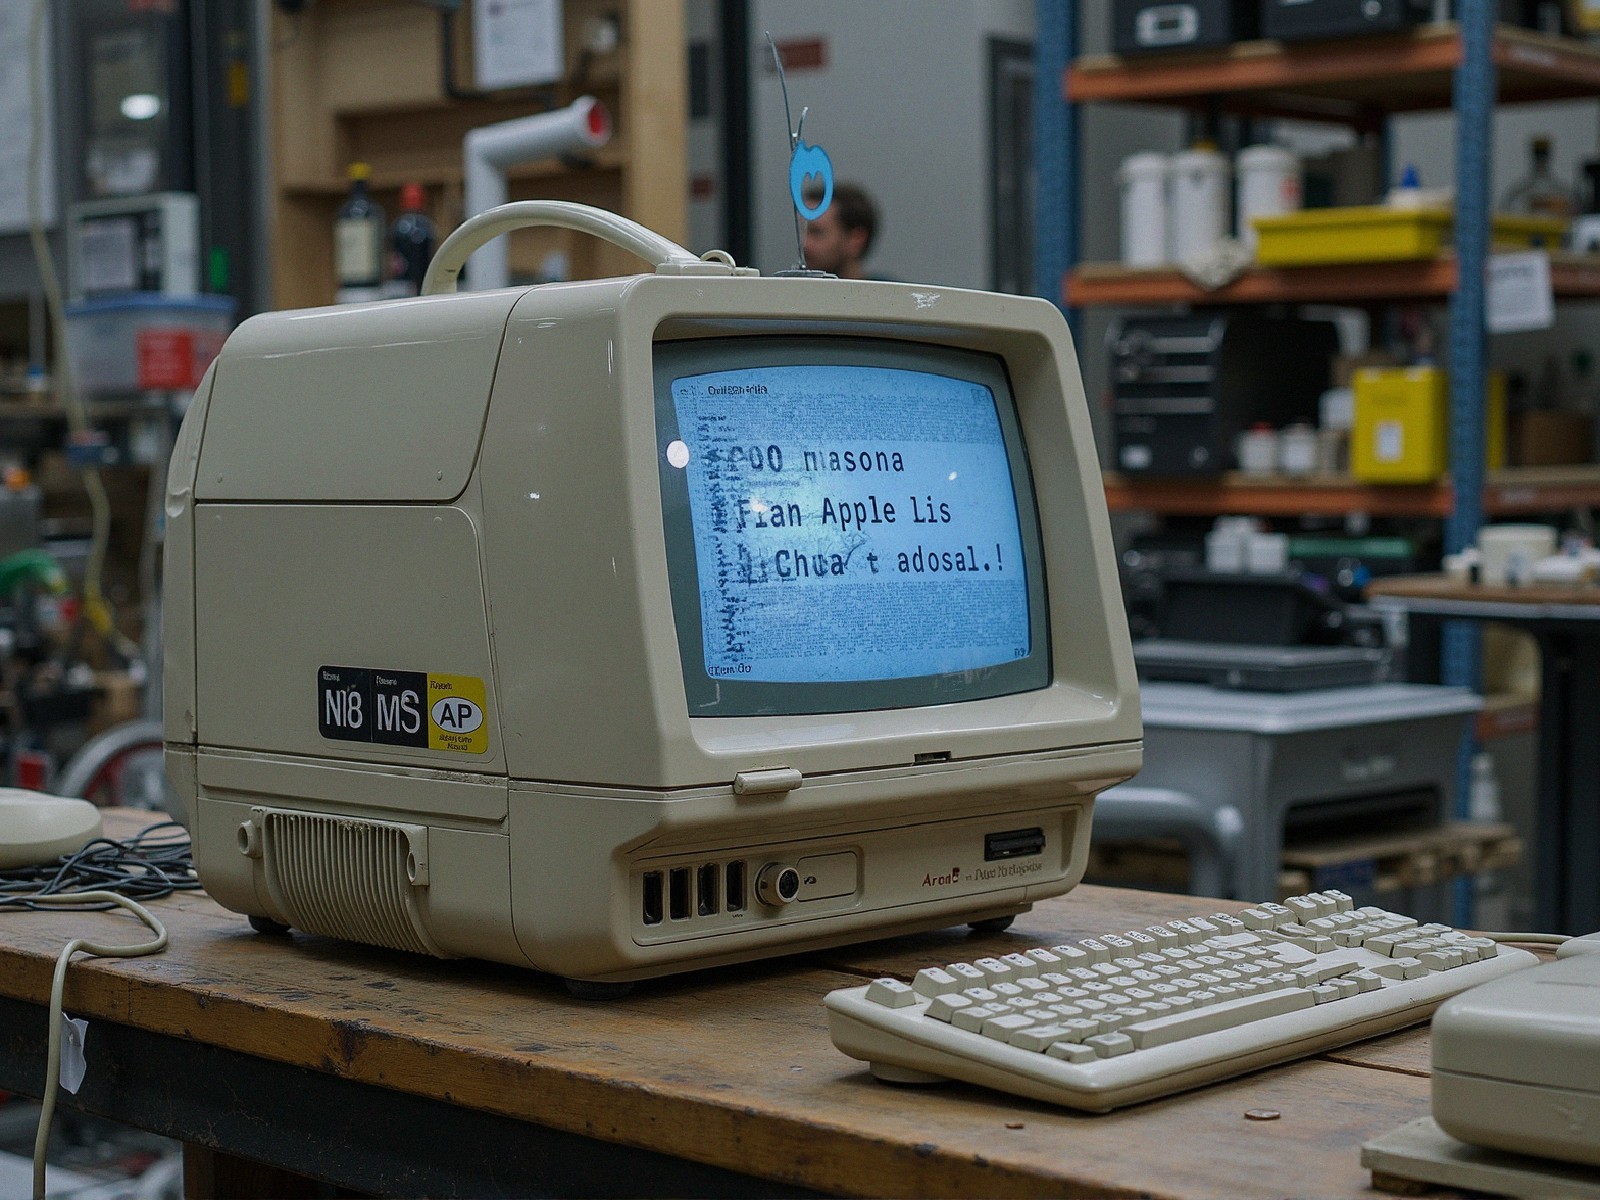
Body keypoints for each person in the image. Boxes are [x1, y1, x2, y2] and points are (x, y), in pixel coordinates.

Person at [801, 181, 882, 279]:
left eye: (816, 232)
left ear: (856, 239)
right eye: (803, 233)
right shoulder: (787, 292)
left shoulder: (892, 293)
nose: (805, 245)